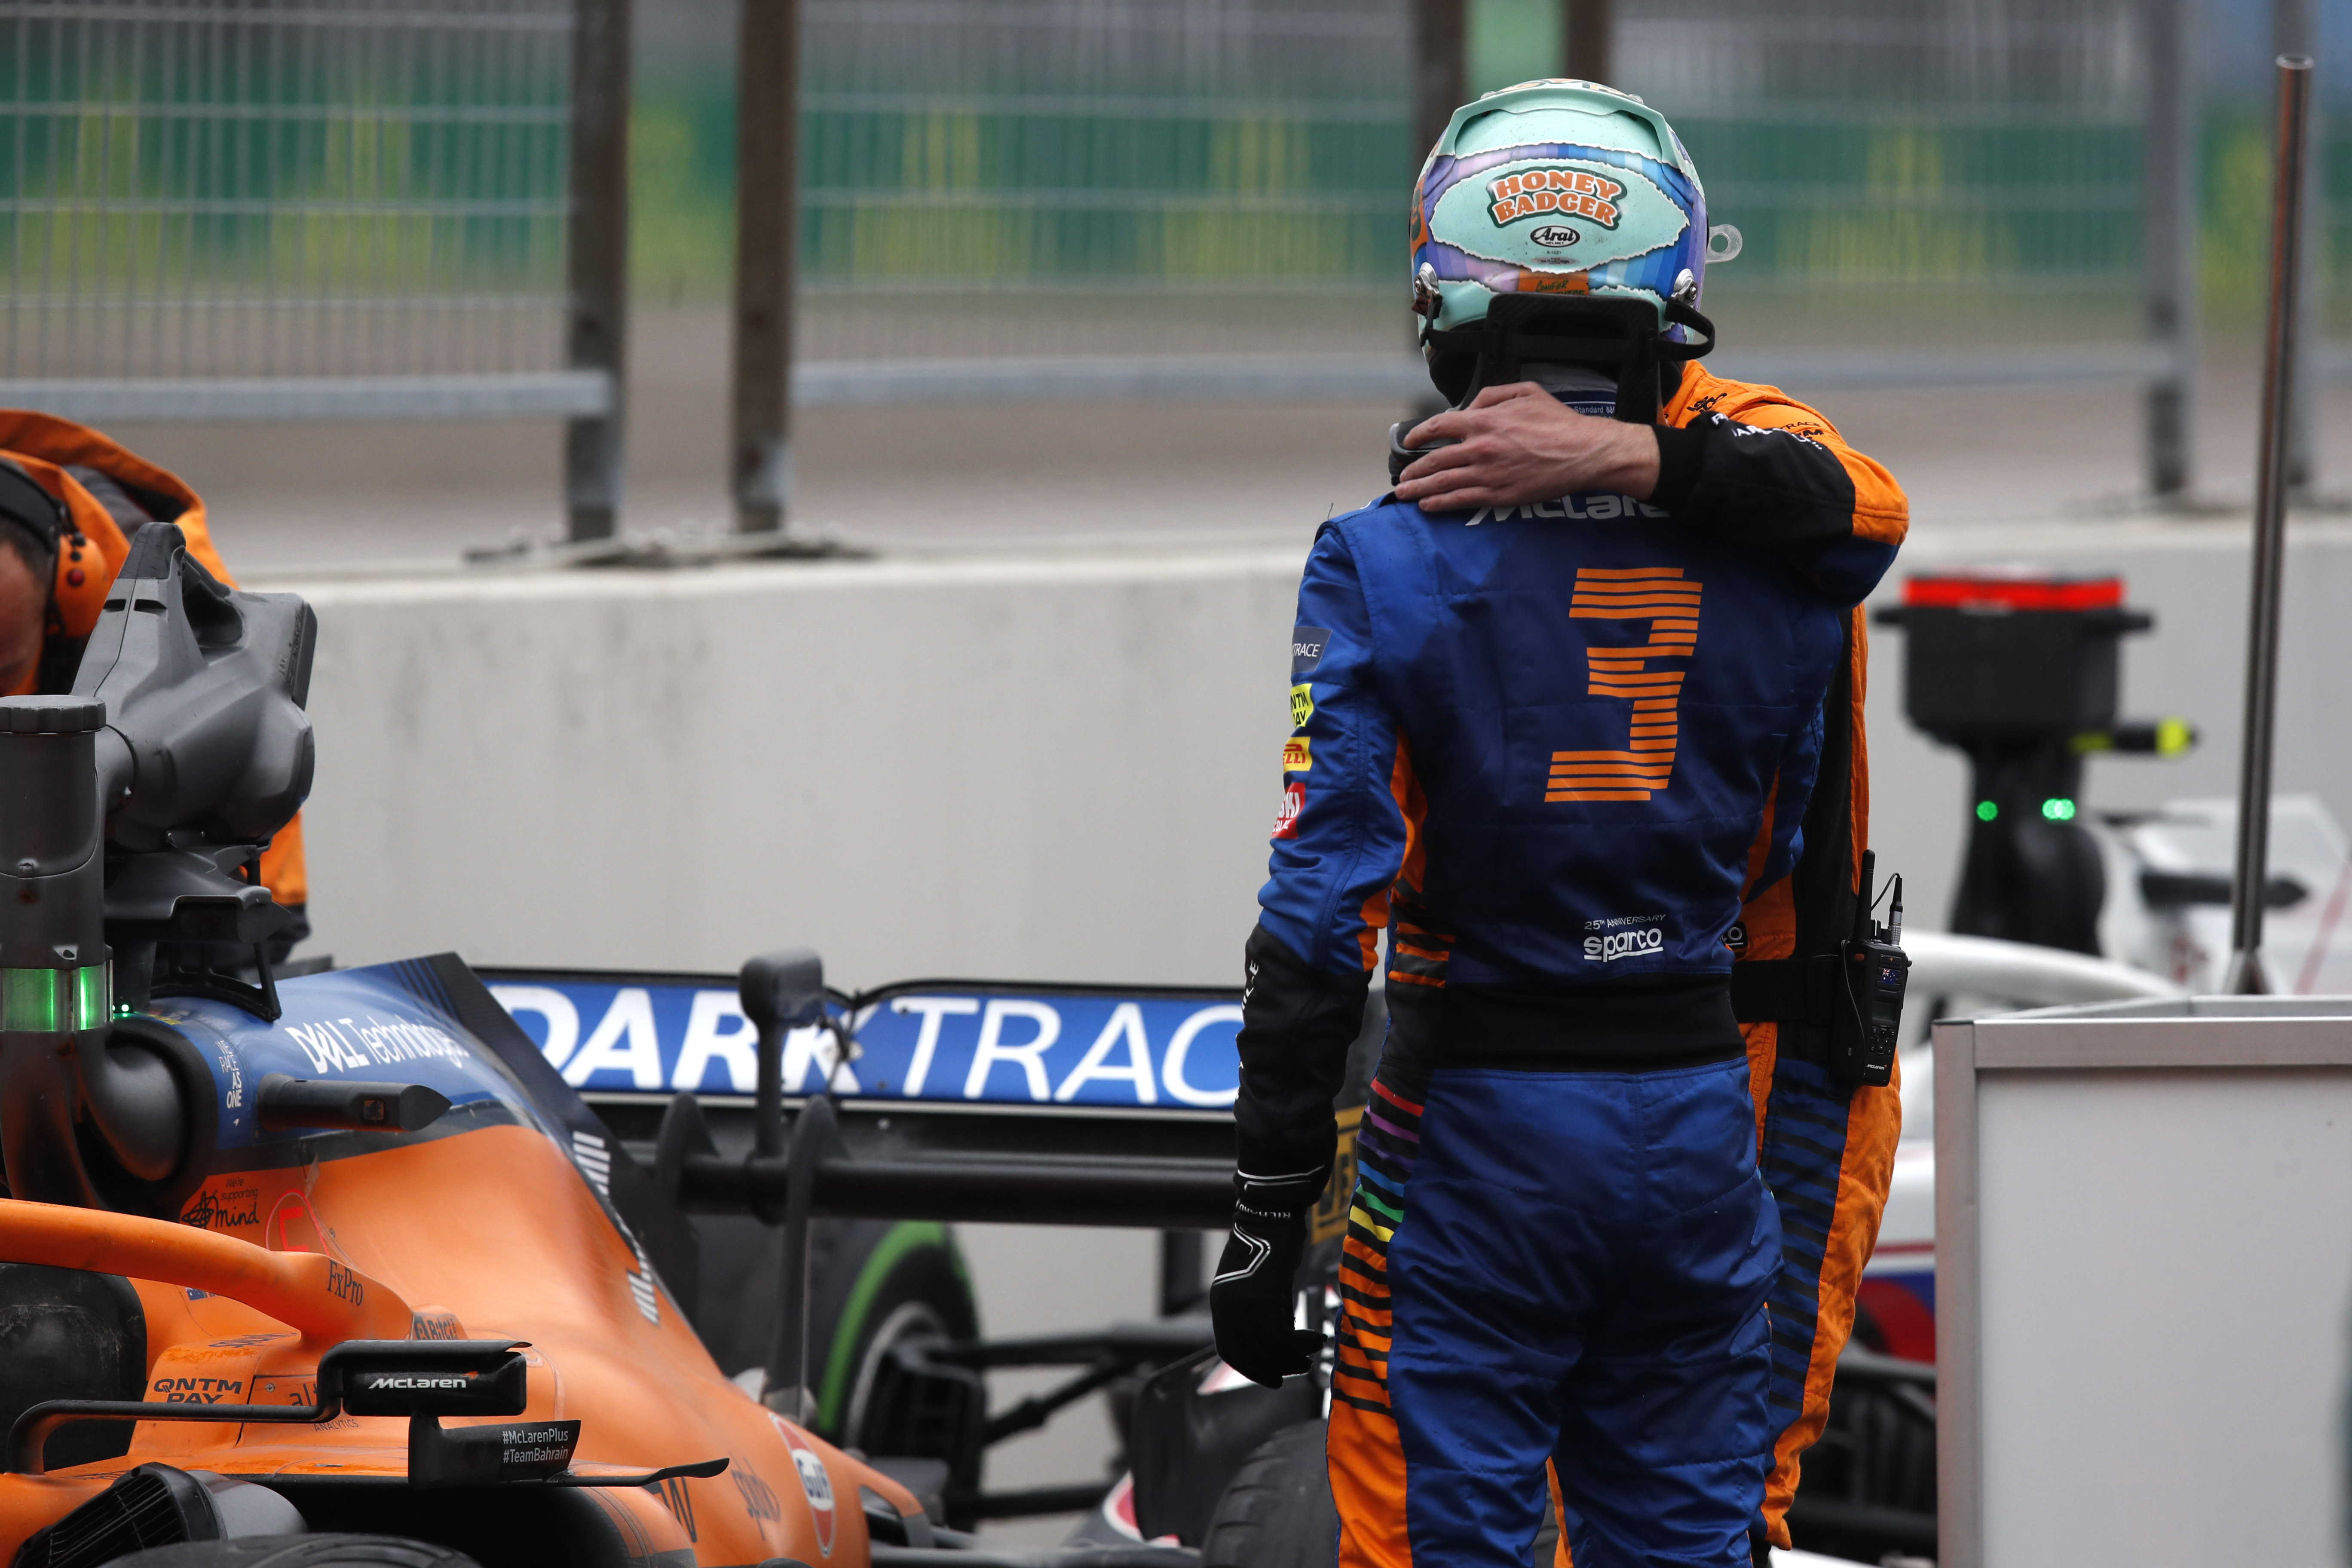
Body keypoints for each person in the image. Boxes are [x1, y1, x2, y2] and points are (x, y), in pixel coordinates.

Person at [1207, 80, 1907, 1567]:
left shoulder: (1389, 553)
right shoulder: (1788, 559)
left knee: (1429, 1536)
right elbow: (1786, 796)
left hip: (1486, 1110)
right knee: (1702, 1531)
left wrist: (1272, 1196)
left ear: (1437, 294)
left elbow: (1319, 905)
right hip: (1709, 1101)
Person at [0, 410, 310, 955]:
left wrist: (255, 921)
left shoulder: (174, 611)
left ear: (72, 591)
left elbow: (251, 762)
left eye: (6, 672)